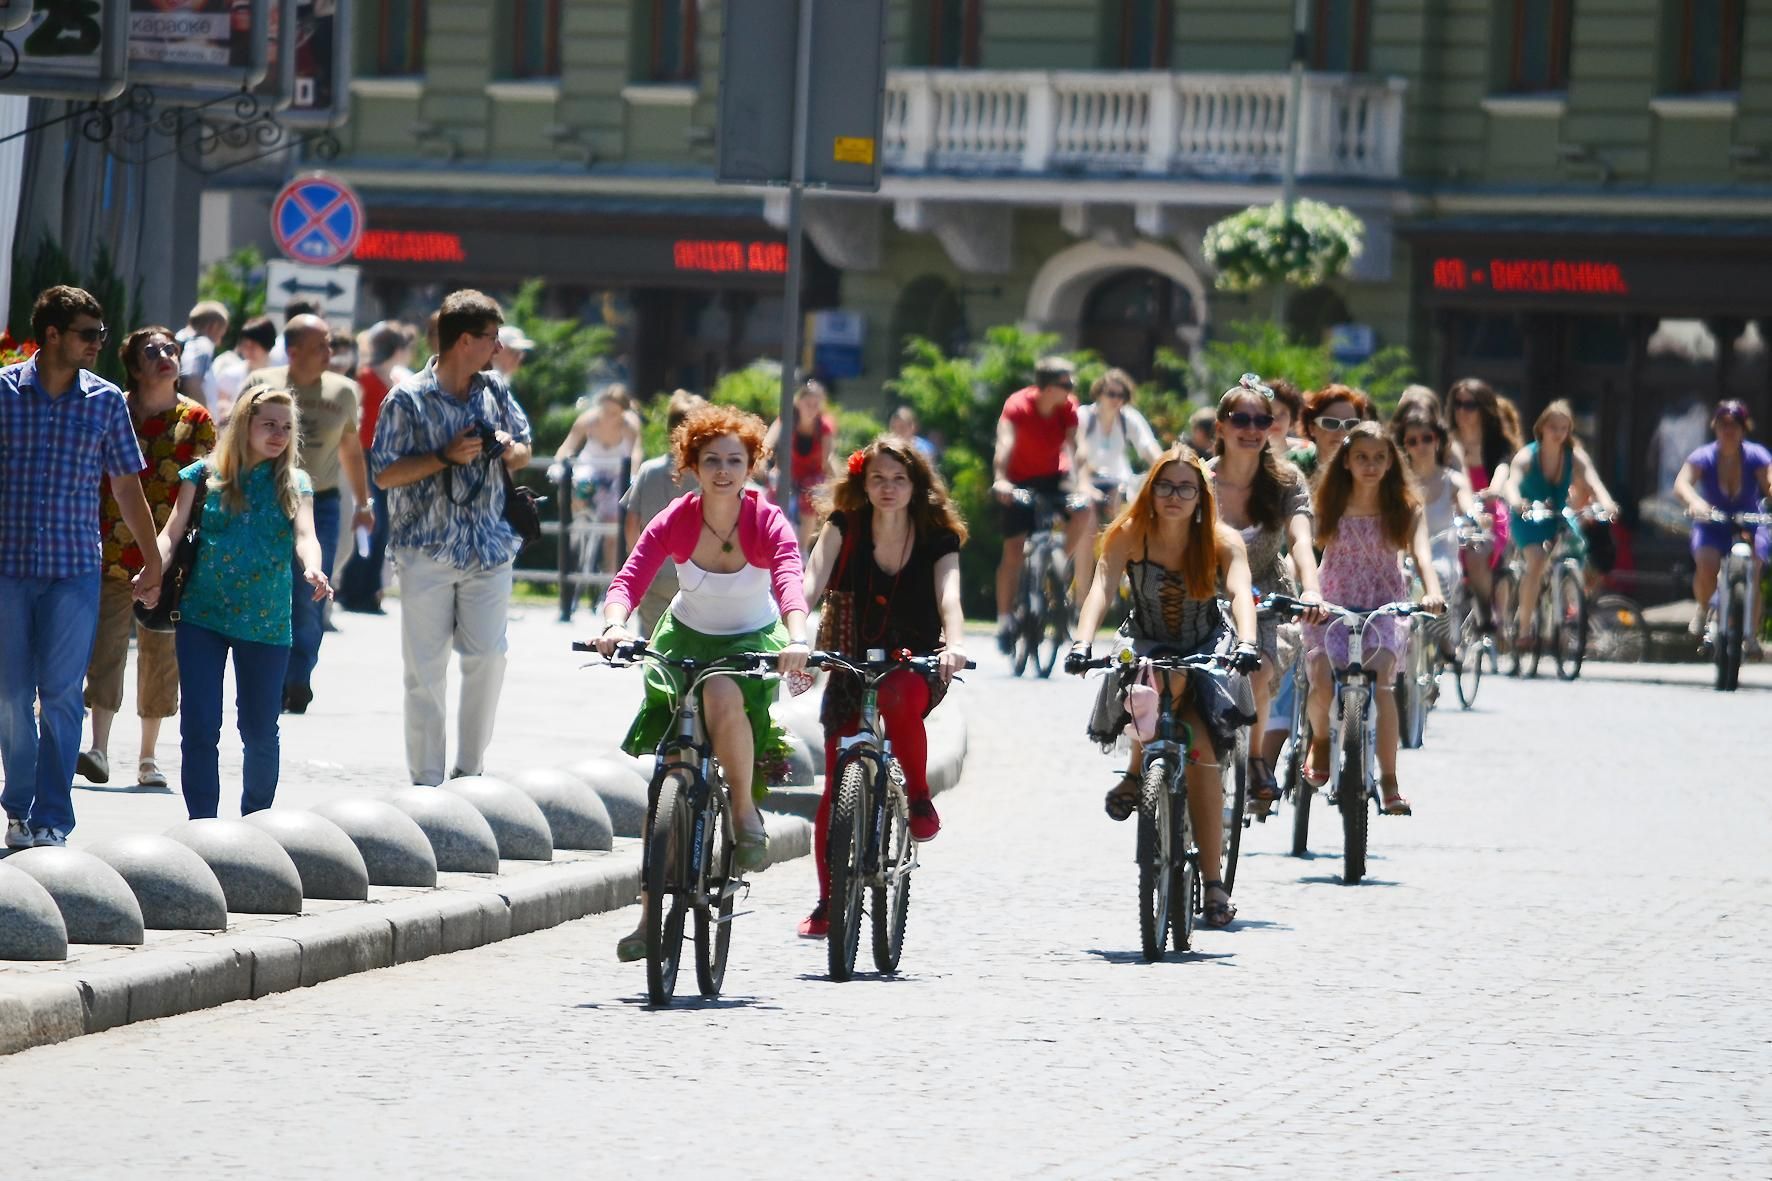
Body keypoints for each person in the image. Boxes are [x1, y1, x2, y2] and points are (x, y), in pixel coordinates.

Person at [595, 404, 811, 963]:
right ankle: (647, 920)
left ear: (751, 466)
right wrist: (614, 624)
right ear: (691, 464)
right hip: (685, 639)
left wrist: (798, 638)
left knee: (720, 693)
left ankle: (743, 812)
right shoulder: (676, 518)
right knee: (668, 775)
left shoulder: (766, 520)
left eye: (734, 461)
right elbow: (630, 577)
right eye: (711, 460)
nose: (723, 470)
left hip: (751, 641)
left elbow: (789, 580)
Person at [1066, 445, 1260, 929]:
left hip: (1203, 640)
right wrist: (1081, 642)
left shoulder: (1222, 540)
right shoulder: (1129, 534)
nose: (1174, 496)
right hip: (1147, 636)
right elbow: (1102, 586)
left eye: (1185, 488)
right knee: (1143, 687)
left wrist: (1249, 643)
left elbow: (1239, 592)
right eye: (1164, 486)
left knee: (1205, 763)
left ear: (1201, 496)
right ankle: (1138, 771)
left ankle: (1213, 883)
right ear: (1150, 491)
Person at [1, 286, 163, 849]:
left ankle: (51, 816)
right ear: (52, 336)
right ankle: (17, 805)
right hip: (9, 565)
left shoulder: (106, 401)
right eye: (87, 334)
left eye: (100, 334)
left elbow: (126, 484)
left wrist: (153, 557)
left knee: (64, 691)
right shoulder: (2, 393)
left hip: (74, 568)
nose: (99, 344)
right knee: (10, 692)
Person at [796, 438, 969, 938]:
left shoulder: (937, 536)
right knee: (835, 777)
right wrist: (792, 630)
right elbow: (810, 581)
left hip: (913, 657)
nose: (887, 488)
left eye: (898, 479)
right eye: (877, 479)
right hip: (849, 654)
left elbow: (950, 595)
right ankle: (830, 901)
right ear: (862, 484)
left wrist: (954, 644)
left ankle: (916, 797)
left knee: (898, 699)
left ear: (915, 485)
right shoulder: (843, 527)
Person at [370, 289, 533, 787]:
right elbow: (384, 474)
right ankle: (426, 782)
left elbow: (525, 448)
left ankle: (469, 771)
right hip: (426, 548)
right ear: (465, 340)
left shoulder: (495, 389)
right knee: (425, 671)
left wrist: (507, 448)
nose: (499, 348)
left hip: (489, 544)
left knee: (489, 656)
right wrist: (444, 456)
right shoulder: (407, 398)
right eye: (491, 338)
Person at [154, 387, 332, 819]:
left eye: (287, 427)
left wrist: (313, 568)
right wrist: (150, 570)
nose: (279, 434)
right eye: (269, 424)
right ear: (244, 425)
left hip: (267, 622)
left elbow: (307, 535)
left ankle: (257, 822)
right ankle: (203, 824)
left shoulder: (295, 483)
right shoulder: (202, 476)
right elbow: (172, 533)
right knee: (199, 727)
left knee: (258, 730)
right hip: (202, 615)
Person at [78, 327, 217, 791]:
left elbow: (204, 489)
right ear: (135, 368)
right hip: (111, 548)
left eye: (170, 350)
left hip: (170, 557)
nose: (164, 356)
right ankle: (98, 747)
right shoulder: (115, 407)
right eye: (151, 352)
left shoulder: (195, 418)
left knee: (160, 653)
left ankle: (148, 755)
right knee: (106, 647)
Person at [1303, 423, 1446, 815]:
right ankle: (1319, 742)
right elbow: (1304, 551)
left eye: (1379, 458)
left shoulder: (1404, 507)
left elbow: (1422, 556)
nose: (1370, 465)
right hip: (1332, 605)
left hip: (1383, 606)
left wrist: (1431, 592)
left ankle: (1389, 781)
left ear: (1390, 463)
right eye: (1362, 457)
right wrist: (1304, 589)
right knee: (1319, 672)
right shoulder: (1328, 503)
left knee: (1382, 679)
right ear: (1346, 461)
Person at [242, 314, 372, 714]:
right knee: (262, 589)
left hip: (323, 503)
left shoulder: (345, 391)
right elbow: (236, 441)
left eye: (331, 345)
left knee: (310, 591)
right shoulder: (262, 383)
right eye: (321, 346)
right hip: (264, 497)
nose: (330, 354)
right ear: (294, 350)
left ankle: (297, 679)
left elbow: (350, 448)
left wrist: (363, 504)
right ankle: (266, 676)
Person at [1208, 375, 1326, 804]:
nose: (1253, 428)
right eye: (1241, 419)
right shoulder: (1198, 481)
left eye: (1263, 420)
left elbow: (1300, 540)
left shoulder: (1286, 480)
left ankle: (1255, 758)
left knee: (1254, 667)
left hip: (1263, 594)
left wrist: (1310, 591)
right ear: (1221, 426)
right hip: (1205, 594)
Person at [992, 356, 1096, 652]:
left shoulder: (1067, 406)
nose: (1071, 389)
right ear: (1047, 387)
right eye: (1066, 384)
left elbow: (1078, 448)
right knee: (1013, 550)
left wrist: (1085, 484)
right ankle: (1004, 621)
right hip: (1019, 480)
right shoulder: (1018, 406)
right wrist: (1001, 479)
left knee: (1083, 510)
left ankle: (1055, 560)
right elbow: (1004, 444)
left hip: (1054, 477)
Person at [1503, 400, 1619, 651]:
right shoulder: (1527, 455)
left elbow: (1592, 481)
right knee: (1535, 561)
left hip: (1557, 516)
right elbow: (1512, 482)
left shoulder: (1573, 456)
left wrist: (1607, 503)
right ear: (1542, 427)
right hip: (1530, 518)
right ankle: (1524, 628)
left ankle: (1568, 606)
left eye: (1564, 428)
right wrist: (1517, 502)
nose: (1558, 433)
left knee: (1578, 551)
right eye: (1553, 427)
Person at [1673, 400, 1772, 654]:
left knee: (1754, 567)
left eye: (1735, 424)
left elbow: (1769, 481)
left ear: (1744, 428)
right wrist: (1695, 502)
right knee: (1706, 564)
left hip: (1748, 523)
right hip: (1712, 522)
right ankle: (1704, 609)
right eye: (1724, 424)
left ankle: (1750, 634)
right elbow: (1682, 484)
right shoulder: (1704, 456)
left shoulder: (1756, 455)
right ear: (1715, 427)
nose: (1729, 430)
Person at [338, 321, 415, 614]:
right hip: (365, 453)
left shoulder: (388, 379)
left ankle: (368, 591)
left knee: (382, 527)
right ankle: (353, 590)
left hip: (384, 455)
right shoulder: (365, 378)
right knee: (373, 522)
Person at [617, 389, 707, 636]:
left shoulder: (648, 471)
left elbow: (632, 522)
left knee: (652, 645)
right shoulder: (710, 475)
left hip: (654, 574)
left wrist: (635, 560)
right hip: (698, 576)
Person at [1393, 408, 1485, 635]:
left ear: (1437, 440)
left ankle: (1444, 639)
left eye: (1427, 438)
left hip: (1442, 552)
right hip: (1407, 554)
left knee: (1438, 573)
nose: (1421, 445)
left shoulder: (1451, 479)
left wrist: (1475, 518)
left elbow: (1467, 503)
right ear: (1405, 446)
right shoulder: (1399, 484)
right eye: (1412, 441)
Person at [554, 386, 643, 577]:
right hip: (591, 468)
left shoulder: (630, 425)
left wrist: (634, 475)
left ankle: (610, 577)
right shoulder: (588, 420)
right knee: (581, 484)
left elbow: (636, 452)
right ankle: (579, 520)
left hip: (617, 474)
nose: (608, 417)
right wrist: (559, 464)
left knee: (613, 528)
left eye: (614, 413)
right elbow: (568, 445)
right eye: (605, 410)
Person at [1444, 377, 1521, 581]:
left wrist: (1494, 490)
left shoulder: (1497, 441)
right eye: (1457, 404)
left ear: (1483, 409)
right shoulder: (1445, 442)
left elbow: (1503, 467)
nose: (1462, 411)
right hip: (1454, 515)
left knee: (1485, 559)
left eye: (1469, 405)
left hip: (1488, 512)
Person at [1077, 367, 1163, 518]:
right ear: (1099, 394)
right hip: (1086, 481)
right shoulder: (1084, 415)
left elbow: (1148, 445)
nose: (1116, 399)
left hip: (1120, 484)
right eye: (1111, 394)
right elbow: (1078, 452)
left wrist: (1164, 467)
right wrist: (1084, 484)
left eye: (1121, 395)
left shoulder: (1128, 418)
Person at [765, 379, 841, 550]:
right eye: (808, 403)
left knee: (812, 494)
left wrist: (838, 485)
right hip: (788, 472)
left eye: (816, 404)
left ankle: (801, 550)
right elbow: (768, 442)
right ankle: (772, 541)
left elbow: (828, 459)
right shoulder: (787, 419)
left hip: (812, 475)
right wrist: (761, 461)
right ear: (798, 402)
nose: (811, 408)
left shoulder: (824, 427)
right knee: (774, 490)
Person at [1291, 383, 1375, 479]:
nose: (1341, 431)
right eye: (1330, 422)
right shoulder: (1291, 465)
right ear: (1312, 428)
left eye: (1350, 424)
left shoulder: (1371, 470)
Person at [211, 315, 277, 423]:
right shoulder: (230, 374)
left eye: (254, 345)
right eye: (245, 345)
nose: (248, 350)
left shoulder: (281, 374)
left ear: (267, 344)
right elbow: (220, 407)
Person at [175, 300, 229, 414]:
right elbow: (191, 380)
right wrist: (205, 420)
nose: (219, 342)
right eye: (221, 334)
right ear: (213, 327)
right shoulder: (201, 343)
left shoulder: (179, 338)